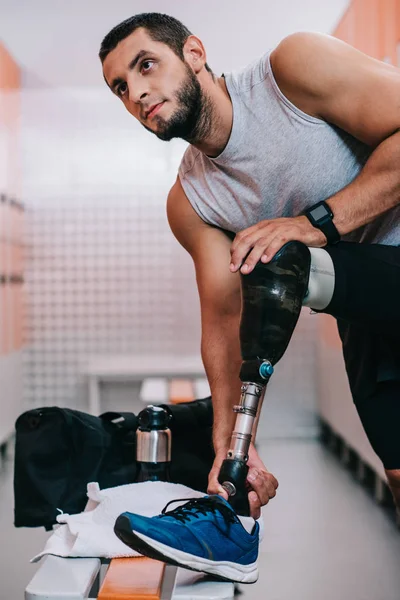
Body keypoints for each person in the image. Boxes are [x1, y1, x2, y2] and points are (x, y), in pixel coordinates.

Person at [100, 13, 400, 581]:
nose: (137, 93)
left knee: (282, 259)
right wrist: (230, 447)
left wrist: (313, 225)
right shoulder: (192, 203)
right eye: (120, 87)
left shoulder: (292, 71)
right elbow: (222, 321)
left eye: (146, 66)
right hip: (361, 303)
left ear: (193, 53)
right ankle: (231, 511)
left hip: (358, 265)